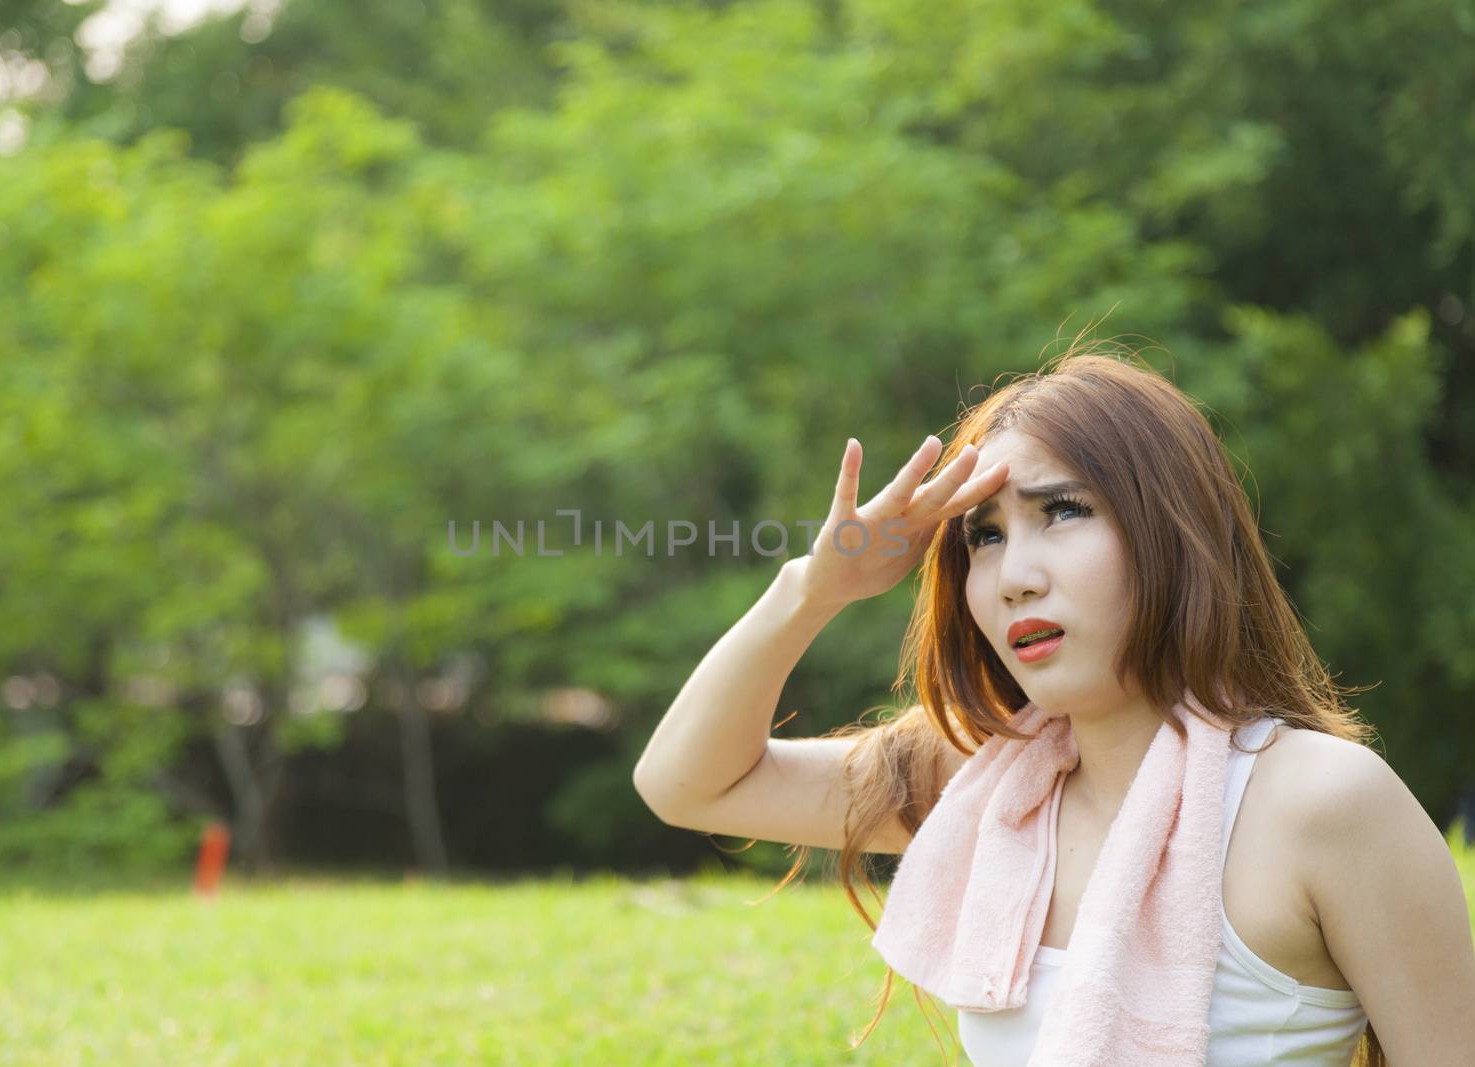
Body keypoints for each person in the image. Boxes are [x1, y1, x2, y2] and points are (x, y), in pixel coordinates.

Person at [632, 340, 1475, 1066]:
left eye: (1062, 511)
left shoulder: (1323, 802)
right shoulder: (985, 784)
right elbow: (687, 784)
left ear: (1168, 529)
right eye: (984, 534)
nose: (1013, 574)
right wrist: (812, 590)